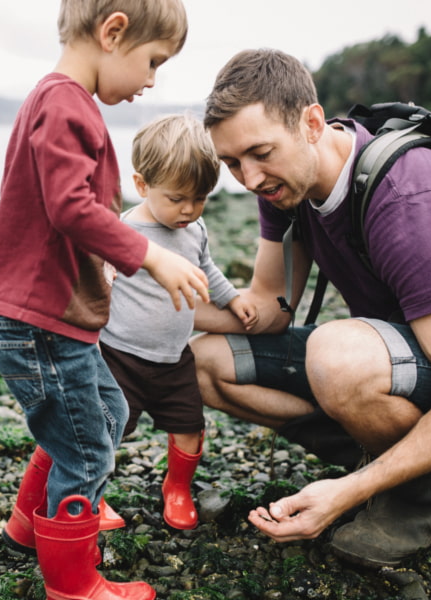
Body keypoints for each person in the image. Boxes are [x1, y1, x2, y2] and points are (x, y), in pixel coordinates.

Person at [190, 48, 431, 568]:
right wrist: (141, 302)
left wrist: (343, 493)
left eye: (260, 152)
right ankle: (389, 458)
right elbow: (267, 309)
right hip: (402, 362)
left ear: (313, 123)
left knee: (336, 357)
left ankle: (415, 498)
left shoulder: (406, 198)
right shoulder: (283, 185)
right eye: (232, 162)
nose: (249, 178)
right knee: (204, 364)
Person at [0, 2, 209, 599]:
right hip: (38, 322)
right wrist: (149, 254)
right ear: (113, 33)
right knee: (85, 449)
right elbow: (69, 207)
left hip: (52, 319)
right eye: (153, 61)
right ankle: (73, 586)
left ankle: (31, 525)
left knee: (106, 416)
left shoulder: (61, 102)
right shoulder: (66, 104)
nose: (153, 79)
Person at [100, 114, 258, 530]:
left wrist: (232, 298)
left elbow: (207, 268)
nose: (188, 209)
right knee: (106, 430)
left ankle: (177, 488)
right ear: (142, 185)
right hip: (120, 357)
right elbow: (92, 274)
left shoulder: (195, 227)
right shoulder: (123, 232)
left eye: (200, 197)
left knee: (190, 428)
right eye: (176, 198)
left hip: (173, 358)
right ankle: (90, 495)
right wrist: (101, 272)